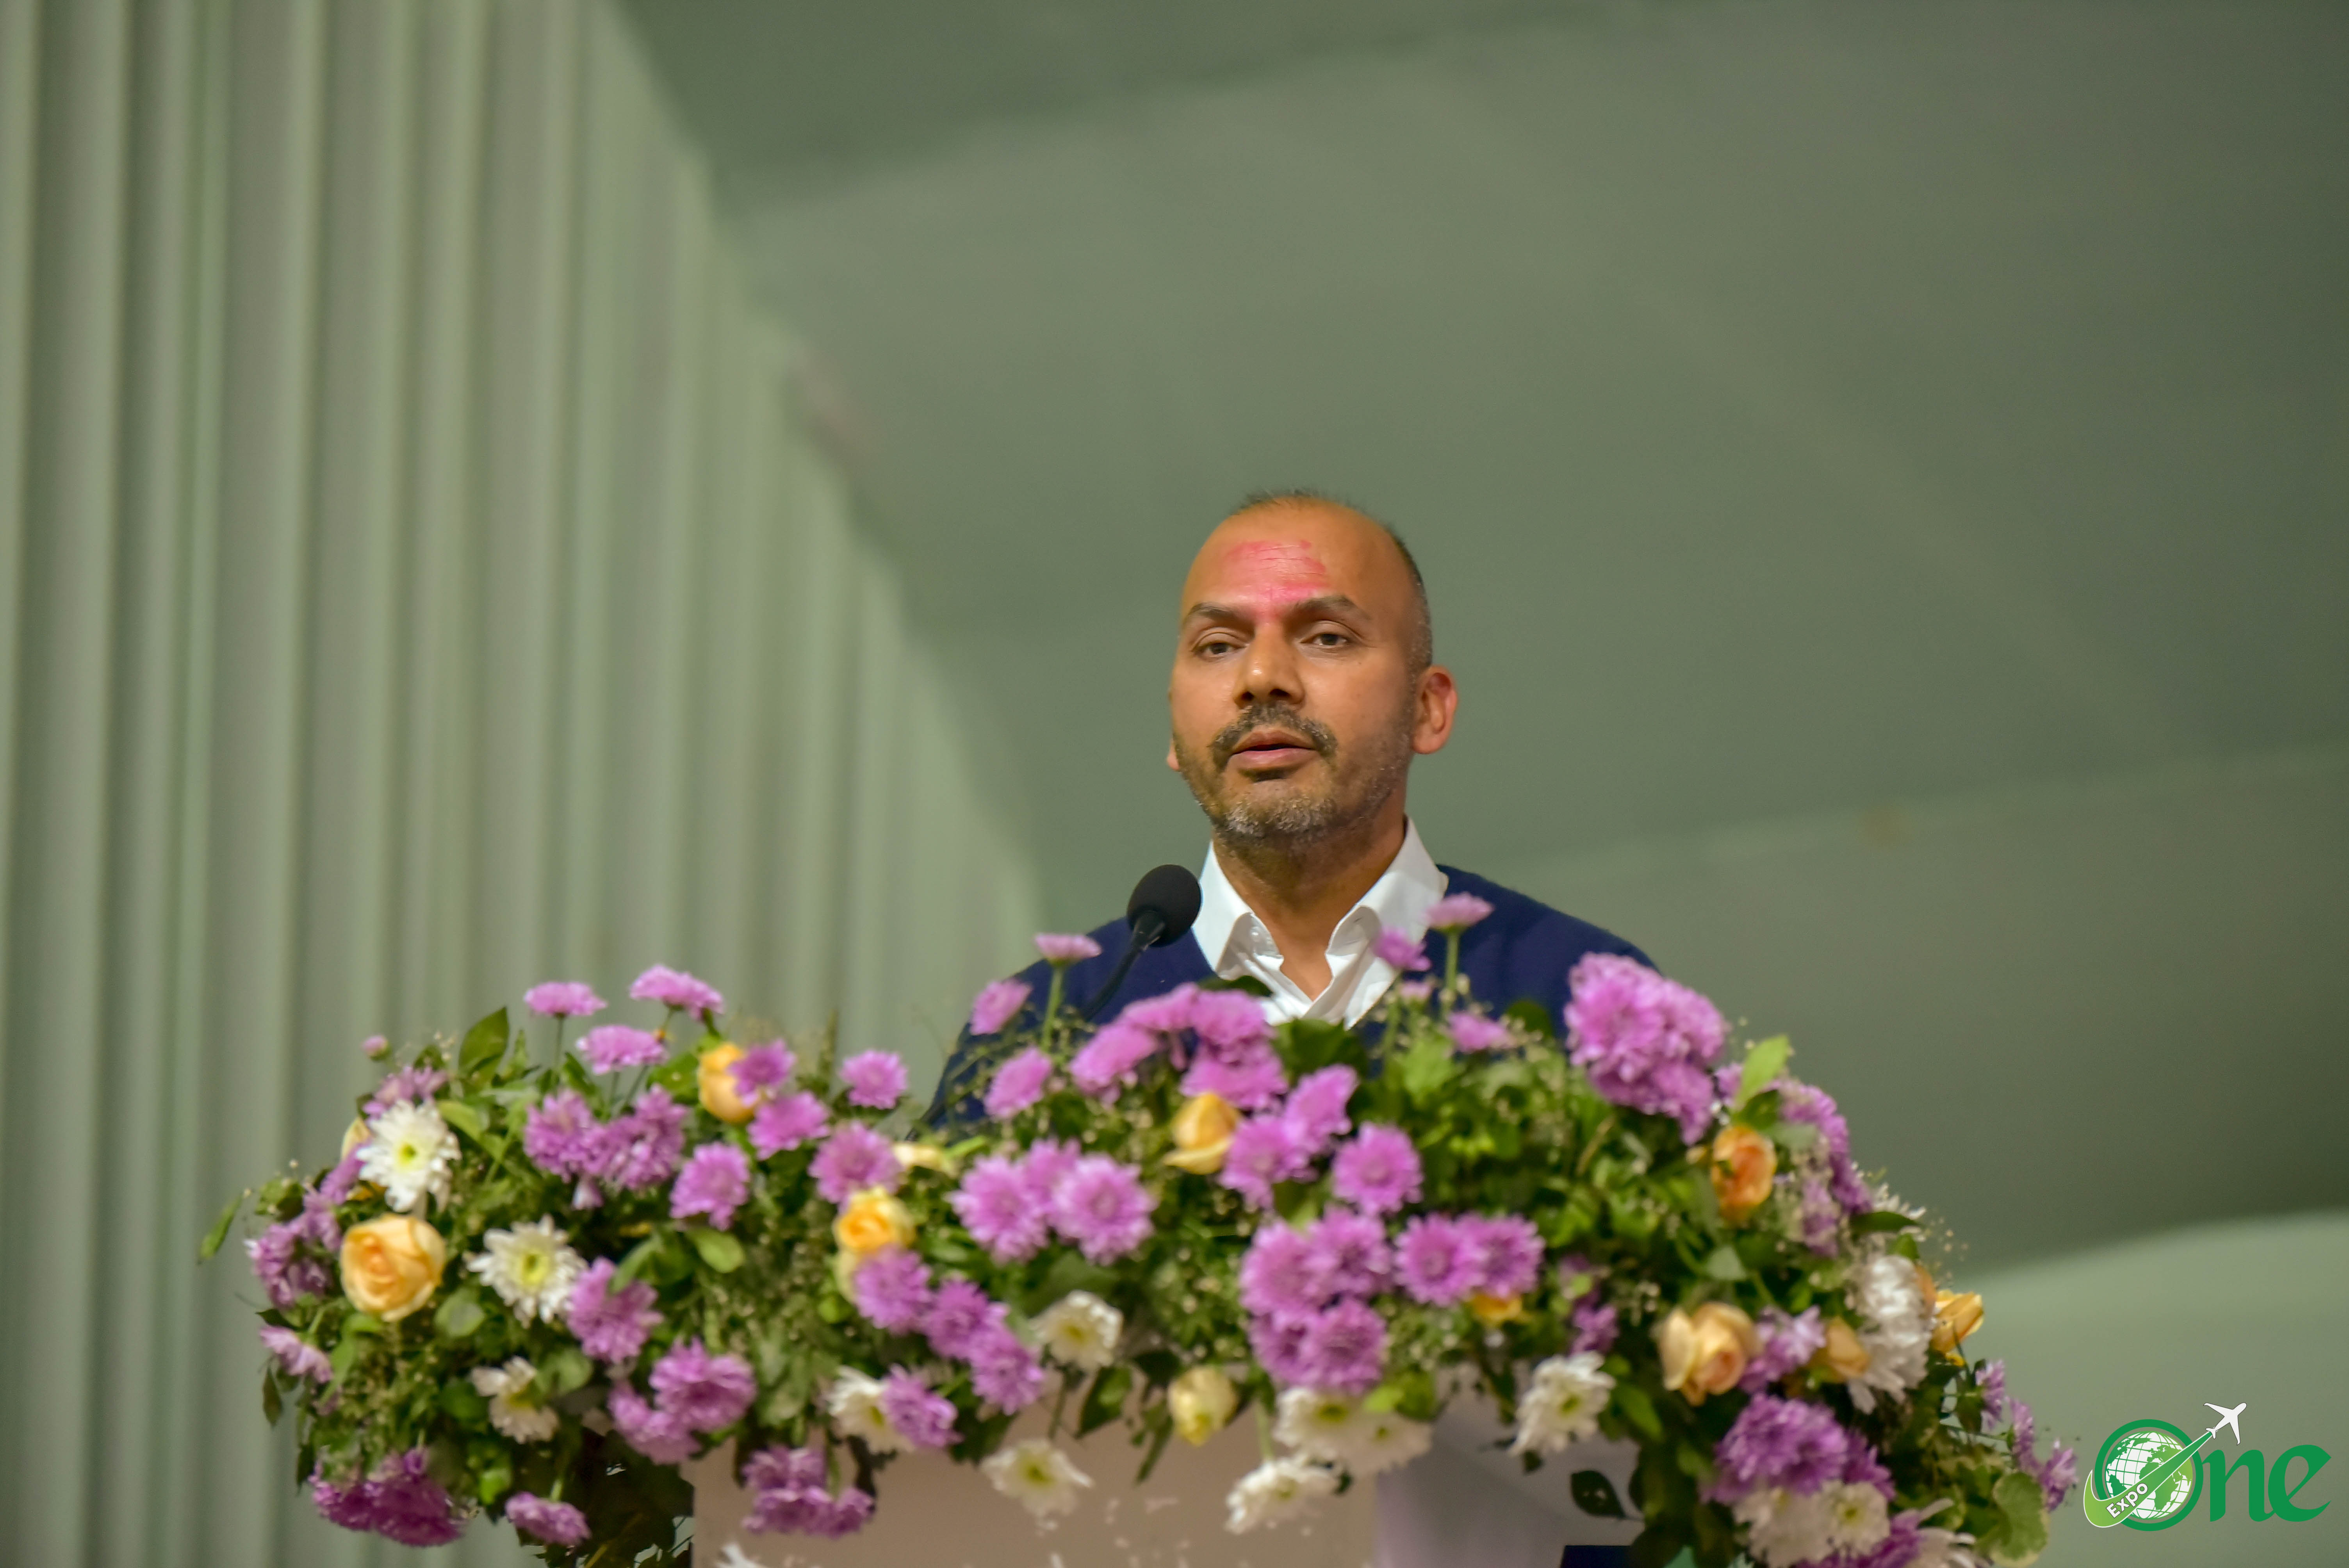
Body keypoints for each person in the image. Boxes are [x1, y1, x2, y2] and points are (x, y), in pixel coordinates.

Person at [929, 489, 1649, 1122]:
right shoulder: (1044, 1038)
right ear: (1174, 727)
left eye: (1327, 638)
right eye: (1218, 646)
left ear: (1427, 709)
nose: (1262, 677)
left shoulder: (1588, 999)